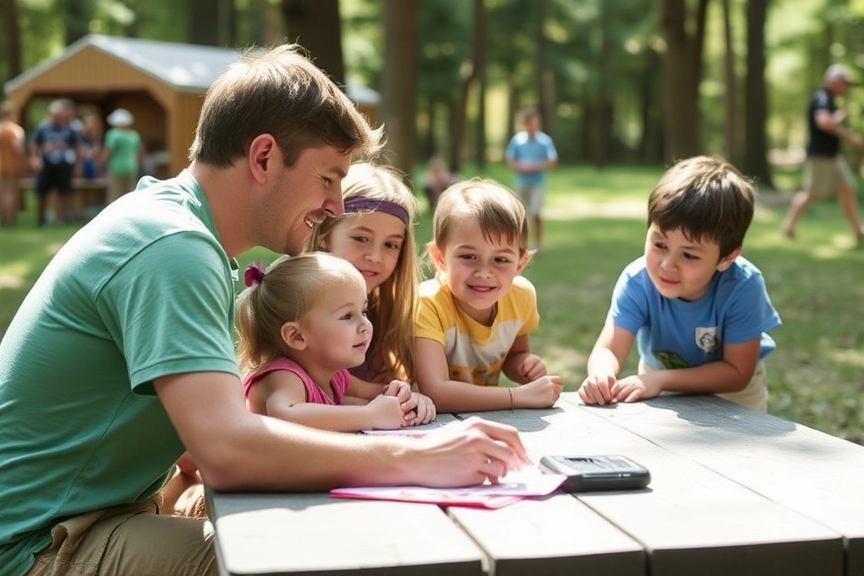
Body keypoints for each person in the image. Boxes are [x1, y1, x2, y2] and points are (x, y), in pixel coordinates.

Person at [0, 44, 527, 576]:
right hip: (37, 546)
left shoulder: (179, 229)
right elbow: (228, 453)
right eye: (327, 177)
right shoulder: (173, 247)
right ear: (264, 157)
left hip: (95, 518)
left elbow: (197, 435)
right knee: (308, 553)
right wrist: (421, 459)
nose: (336, 205)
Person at [578, 156, 781, 412]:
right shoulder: (637, 281)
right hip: (658, 384)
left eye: (690, 255)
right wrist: (601, 373)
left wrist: (662, 380)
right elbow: (609, 348)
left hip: (732, 399)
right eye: (659, 244)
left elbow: (737, 373)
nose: (667, 265)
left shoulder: (743, 286)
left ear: (727, 257)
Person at [415, 179, 564, 413]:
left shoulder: (521, 297)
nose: (484, 272)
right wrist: (517, 396)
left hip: (482, 420)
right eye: (468, 256)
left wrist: (524, 365)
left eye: (501, 259)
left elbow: (515, 354)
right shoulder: (428, 303)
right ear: (440, 257)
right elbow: (436, 393)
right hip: (427, 424)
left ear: (520, 264)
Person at [306, 162, 436, 424]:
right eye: (361, 238)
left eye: (390, 245)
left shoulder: (381, 313)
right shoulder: (298, 303)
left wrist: (411, 397)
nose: (375, 256)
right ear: (325, 235)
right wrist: (372, 409)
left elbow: (380, 389)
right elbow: (312, 396)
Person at [236, 253, 417, 431]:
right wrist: (370, 415)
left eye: (363, 312)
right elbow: (285, 415)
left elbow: (375, 394)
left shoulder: (335, 374)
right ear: (296, 336)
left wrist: (404, 395)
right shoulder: (284, 376)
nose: (365, 325)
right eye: (347, 316)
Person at [781, 64, 864, 244]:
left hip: (832, 156)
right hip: (820, 155)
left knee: (847, 188)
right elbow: (823, 122)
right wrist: (849, 136)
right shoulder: (822, 97)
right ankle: (788, 228)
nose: (846, 87)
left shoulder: (829, 99)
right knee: (811, 193)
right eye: (844, 82)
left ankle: (859, 231)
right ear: (834, 81)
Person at [504, 107, 557, 254]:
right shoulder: (517, 141)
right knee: (521, 214)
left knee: (537, 212)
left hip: (538, 182)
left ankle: (539, 243)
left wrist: (536, 166)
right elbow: (510, 160)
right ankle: (521, 244)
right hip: (521, 181)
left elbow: (552, 160)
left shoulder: (545, 141)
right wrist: (521, 167)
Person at [29, 98, 82, 226]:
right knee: (41, 192)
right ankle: (40, 219)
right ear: (50, 114)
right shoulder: (42, 128)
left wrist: (77, 167)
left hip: (64, 166)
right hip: (45, 165)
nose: (58, 117)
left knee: (62, 192)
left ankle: (60, 219)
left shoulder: (69, 129)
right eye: (56, 115)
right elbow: (34, 147)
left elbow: (77, 149)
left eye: (60, 115)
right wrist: (34, 160)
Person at [102, 107, 142, 206]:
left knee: (115, 194)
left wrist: (101, 164)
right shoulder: (134, 135)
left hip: (116, 167)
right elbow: (138, 153)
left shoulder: (113, 134)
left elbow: (108, 151)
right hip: (131, 166)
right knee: (129, 193)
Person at [0, 100, 26, 228]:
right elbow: (18, 148)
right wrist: (21, 164)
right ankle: (10, 220)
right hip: (11, 164)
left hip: (1, 163)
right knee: (10, 192)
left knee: (2, 192)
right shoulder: (15, 130)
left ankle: (4, 218)